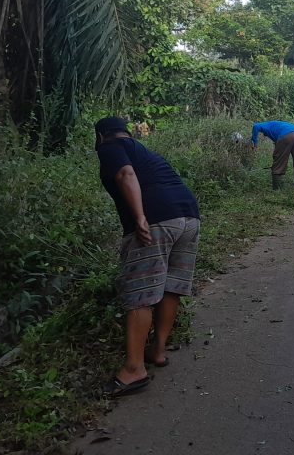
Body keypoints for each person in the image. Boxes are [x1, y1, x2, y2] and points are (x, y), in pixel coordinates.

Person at [94, 116, 201, 398]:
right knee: (171, 285)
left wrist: (140, 217)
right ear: (128, 132)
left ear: (100, 136)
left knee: (140, 291)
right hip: (189, 217)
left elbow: (126, 175)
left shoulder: (110, 147)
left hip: (157, 222)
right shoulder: (145, 150)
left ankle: (133, 369)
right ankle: (158, 350)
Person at [251, 120, 294, 190]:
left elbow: (256, 126)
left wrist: (254, 142)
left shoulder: (265, 125)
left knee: (279, 162)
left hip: (286, 135)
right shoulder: (278, 125)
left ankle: (276, 189)